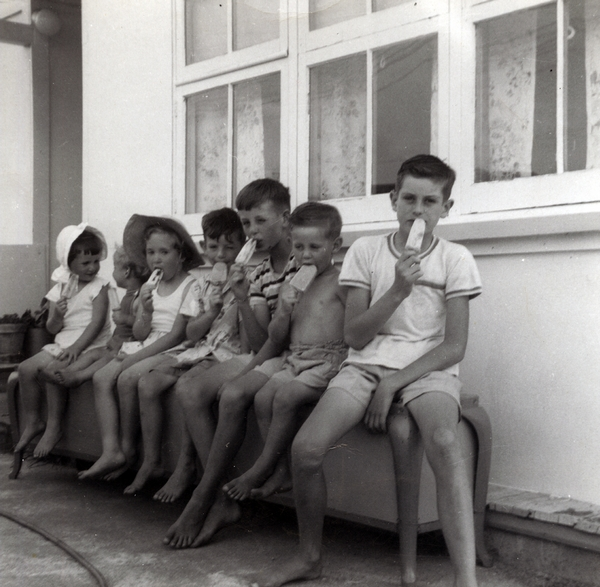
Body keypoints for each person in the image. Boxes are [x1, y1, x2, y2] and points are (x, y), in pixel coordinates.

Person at [257, 155, 483, 587]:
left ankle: (465, 579)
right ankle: (309, 557)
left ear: (446, 208)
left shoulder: (456, 258)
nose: (418, 211)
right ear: (393, 199)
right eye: (410, 199)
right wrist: (398, 291)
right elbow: (356, 336)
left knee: (445, 443)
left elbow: (454, 346)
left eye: (430, 201)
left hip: (427, 370)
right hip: (363, 367)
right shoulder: (366, 251)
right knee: (305, 450)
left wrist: (395, 382)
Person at [163, 178, 297, 547]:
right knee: (188, 390)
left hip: (293, 356)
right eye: (246, 223)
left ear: (284, 219)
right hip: (265, 351)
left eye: (259, 221)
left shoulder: (305, 258)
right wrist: (240, 297)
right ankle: (220, 497)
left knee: (230, 394)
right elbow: (258, 342)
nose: (252, 231)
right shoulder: (256, 271)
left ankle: (205, 498)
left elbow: (282, 342)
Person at [223, 202, 347, 502]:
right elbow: (277, 337)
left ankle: (262, 466)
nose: (305, 255)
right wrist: (283, 311)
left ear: (336, 245)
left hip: (327, 360)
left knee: (285, 396)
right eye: (299, 246)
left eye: (315, 247)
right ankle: (280, 469)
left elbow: (354, 327)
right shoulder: (291, 283)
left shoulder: (341, 281)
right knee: (264, 395)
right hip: (295, 358)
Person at [123, 208, 246, 495]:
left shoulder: (247, 279)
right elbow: (192, 333)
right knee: (149, 382)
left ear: (243, 248)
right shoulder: (202, 285)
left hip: (226, 355)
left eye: (230, 247)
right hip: (198, 350)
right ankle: (154, 461)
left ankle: (188, 468)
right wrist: (211, 310)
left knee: (188, 388)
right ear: (204, 248)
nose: (222, 255)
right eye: (214, 247)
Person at [78, 215, 203, 481]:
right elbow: (139, 332)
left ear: (180, 255)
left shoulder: (190, 285)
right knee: (102, 376)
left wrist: (136, 358)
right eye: (150, 253)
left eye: (164, 252)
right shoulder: (151, 286)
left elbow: (177, 334)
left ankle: (142, 456)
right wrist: (145, 310)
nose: (156, 259)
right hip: (147, 342)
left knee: (128, 376)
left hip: (174, 347)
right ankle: (116, 451)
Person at [14, 224, 111, 459]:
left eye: (96, 261)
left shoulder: (99, 287)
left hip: (91, 344)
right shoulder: (61, 288)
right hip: (64, 342)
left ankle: (54, 426)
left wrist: (77, 348)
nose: (93, 267)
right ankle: (34, 421)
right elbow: (51, 328)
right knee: (25, 368)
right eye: (86, 263)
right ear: (69, 263)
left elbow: (96, 323)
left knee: (53, 371)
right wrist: (57, 314)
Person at [43, 246, 147, 388]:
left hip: (129, 346)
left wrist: (124, 319)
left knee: (106, 359)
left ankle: (79, 376)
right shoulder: (128, 294)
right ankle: (64, 372)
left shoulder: (139, 295)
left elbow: (144, 324)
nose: (113, 272)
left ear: (126, 272)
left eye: (115, 268)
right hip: (117, 344)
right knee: (92, 354)